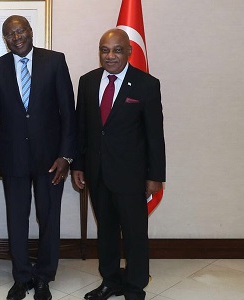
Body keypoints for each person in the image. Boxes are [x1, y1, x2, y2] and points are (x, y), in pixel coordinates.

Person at [0, 15, 76, 300]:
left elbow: (68, 113)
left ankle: (44, 276)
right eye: (10, 34)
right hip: (14, 157)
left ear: (31, 32)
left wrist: (66, 156)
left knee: (48, 218)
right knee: (17, 219)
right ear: (5, 39)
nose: (16, 37)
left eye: (20, 31)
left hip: (51, 159)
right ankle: (21, 277)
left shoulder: (55, 61)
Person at [71, 28, 165, 300]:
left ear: (129, 51)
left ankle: (135, 287)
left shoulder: (147, 84)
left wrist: (155, 175)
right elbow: (82, 128)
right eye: (104, 49)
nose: (110, 56)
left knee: (135, 234)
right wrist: (78, 165)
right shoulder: (87, 81)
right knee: (107, 233)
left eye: (117, 50)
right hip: (97, 173)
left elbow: (154, 135)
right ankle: (110, 281)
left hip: (132, 175)